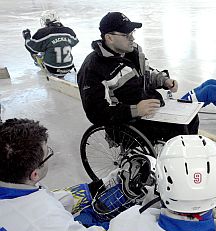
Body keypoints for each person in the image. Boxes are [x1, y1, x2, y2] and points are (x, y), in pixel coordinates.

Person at [0, 118, 115, 231]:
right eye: (48, 154)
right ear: (34, 174)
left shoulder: (15, 187)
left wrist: (100, 185)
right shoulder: (46, 229)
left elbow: (47, 198)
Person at [77, 12, 198, 144]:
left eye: (132, 33)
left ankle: (186, 158)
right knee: (179, 129)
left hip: (150, 110)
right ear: (109, 38)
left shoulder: (132, 53)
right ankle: (176, 161)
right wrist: (136, 110)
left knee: (191, 119)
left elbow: (146, 73)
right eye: (126, 35)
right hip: (127, 122)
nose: (132, 38)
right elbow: (96, 112)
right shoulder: (93, 68)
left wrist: (163, 80)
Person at [22, 10, 79, 77]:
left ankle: (44, 67)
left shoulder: (43, 32)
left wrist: (27, 37)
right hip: (68, 67)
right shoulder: (69, 31)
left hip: (52, 68)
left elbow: (31, 47)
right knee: (59, 45)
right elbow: (74, 42)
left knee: (38, 50)